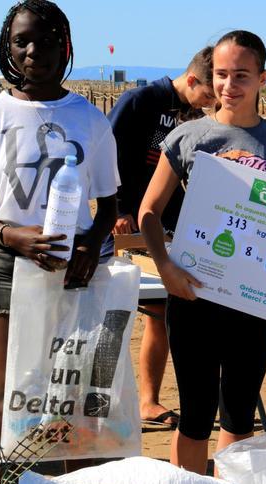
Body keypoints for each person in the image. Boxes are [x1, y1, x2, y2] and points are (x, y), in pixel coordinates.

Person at [138, 30, 266, 474]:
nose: (229, 84)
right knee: (195, 415)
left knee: (238, 413)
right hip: (192, 293)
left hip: (252, 301)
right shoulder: (187, 136)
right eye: (221, 74)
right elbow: (148, 212)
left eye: (241, 74)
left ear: (262, 78)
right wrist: (165, 267)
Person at [0, 1, 118, 484]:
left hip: (77, 271)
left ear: (65, 46)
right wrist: (13, 236)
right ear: (7, 49)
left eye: (45, 41)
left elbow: (108, 203)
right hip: (11, 268)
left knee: (74, 392)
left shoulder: (91, 119)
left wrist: (91, 247)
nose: (32, 52)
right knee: (12, 391)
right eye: (21, 42)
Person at [106, 47, 215, 428]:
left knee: (159, 311)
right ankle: (101, 403)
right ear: (191, 80)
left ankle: (148, 402)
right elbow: (105, 155)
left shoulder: (195, 116)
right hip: (123, 224)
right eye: (207, 96)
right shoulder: (139, 100)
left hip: (170, 225)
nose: (209, 105)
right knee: (110, 312)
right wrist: (117, 210)